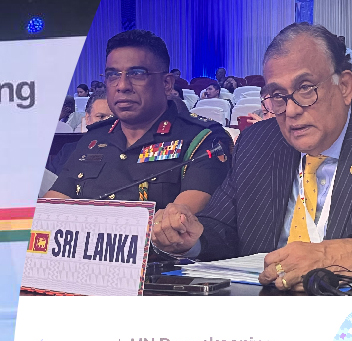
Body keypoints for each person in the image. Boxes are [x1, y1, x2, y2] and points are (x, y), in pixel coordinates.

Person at [152, 23, 352, 289]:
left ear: (346, 86)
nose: (290, 110)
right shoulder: (258, 142)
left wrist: (350, 255)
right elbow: (221, 227)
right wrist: (191, 237)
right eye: (277, 95)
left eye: (305, 88)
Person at [44, 29, 231, 211]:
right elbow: (51, 208)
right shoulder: (93, 139)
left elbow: (179, 221)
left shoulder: (201, 139)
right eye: (112, 75)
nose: (122, 86)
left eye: (137, 74)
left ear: (167, 84)